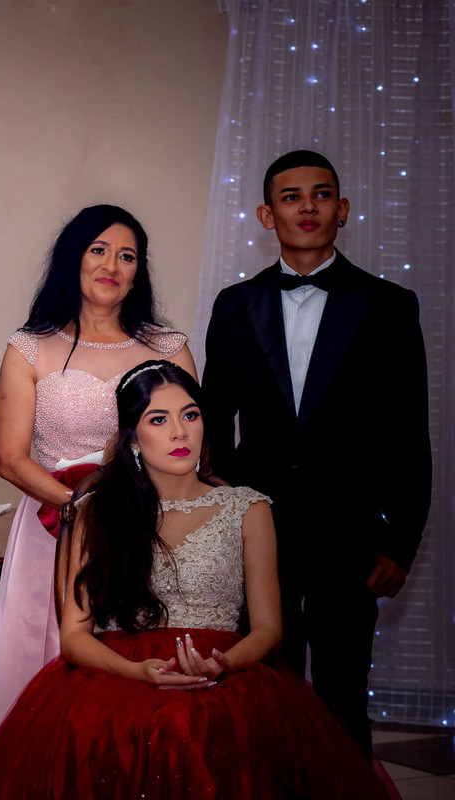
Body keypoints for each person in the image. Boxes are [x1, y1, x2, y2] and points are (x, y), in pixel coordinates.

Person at [0, 360, 392, 799]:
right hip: (120, 675)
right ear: (132, 440)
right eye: (158, 419)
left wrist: (223, 664)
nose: (180, 432)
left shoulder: (248, 509)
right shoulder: (97, 511)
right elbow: (74, 636)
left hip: (225, 672)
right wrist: (136, 672)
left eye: (190, 415)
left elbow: (269, 630)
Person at [203, 150, 431, 758]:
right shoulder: (234, 305)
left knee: (342, 690)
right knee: (261, 684)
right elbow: (215, 425)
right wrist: (220, 522)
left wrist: (400, 541)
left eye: (321, 194)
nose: (307, 207)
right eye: (291, 196)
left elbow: (408, 433)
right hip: (258, 529)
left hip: (350, 533)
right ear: (266, 215)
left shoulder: (389, 305)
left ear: (343, 208)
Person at [0, 204, 195, 765]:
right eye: (98, 250)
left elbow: (193, 446)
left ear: (138, 272)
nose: (111, 266)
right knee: (52, 660)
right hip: (57, 527)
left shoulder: (168, 346)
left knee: (143, 669)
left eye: (127, 256)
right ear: (73, 257)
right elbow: (9, 458)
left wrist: (137, 508)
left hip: (154, 528)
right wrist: (83, 504)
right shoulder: (30, 346)